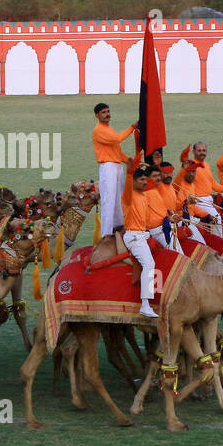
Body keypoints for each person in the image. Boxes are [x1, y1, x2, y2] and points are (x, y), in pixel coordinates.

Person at [120, 158, 160, 318]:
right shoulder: (127, 196)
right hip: (134, 237)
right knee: (149, 264)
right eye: (142, 179)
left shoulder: (144, 197)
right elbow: (128, 183)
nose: (145, 182)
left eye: (146, 179)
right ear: (134, 181)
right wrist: (130, 171)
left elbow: (147, 220)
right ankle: (145, 304)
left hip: (144, 234)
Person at [91, 103, 136, 237]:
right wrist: (132, 128)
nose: (107, 114)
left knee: (119, 199)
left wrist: (129, 160)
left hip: (116, 167)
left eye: (108, 111)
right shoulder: (98, 130)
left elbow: (117, 152)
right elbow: (117, 139)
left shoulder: (108, 129)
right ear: (97, 115)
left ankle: (119, 229)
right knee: (109, 201)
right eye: (104, 112)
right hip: (108, 167)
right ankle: (106, 235)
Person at [175, 143, 223, 236]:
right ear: (193, 152)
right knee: (217, 218)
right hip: (198, 201)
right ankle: (219, 240)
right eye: (199, 150)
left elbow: (212, 184)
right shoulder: (190, 165)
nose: (202, 153)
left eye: (204, 150)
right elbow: (179, 181)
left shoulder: (206, 165)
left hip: (207, 200)